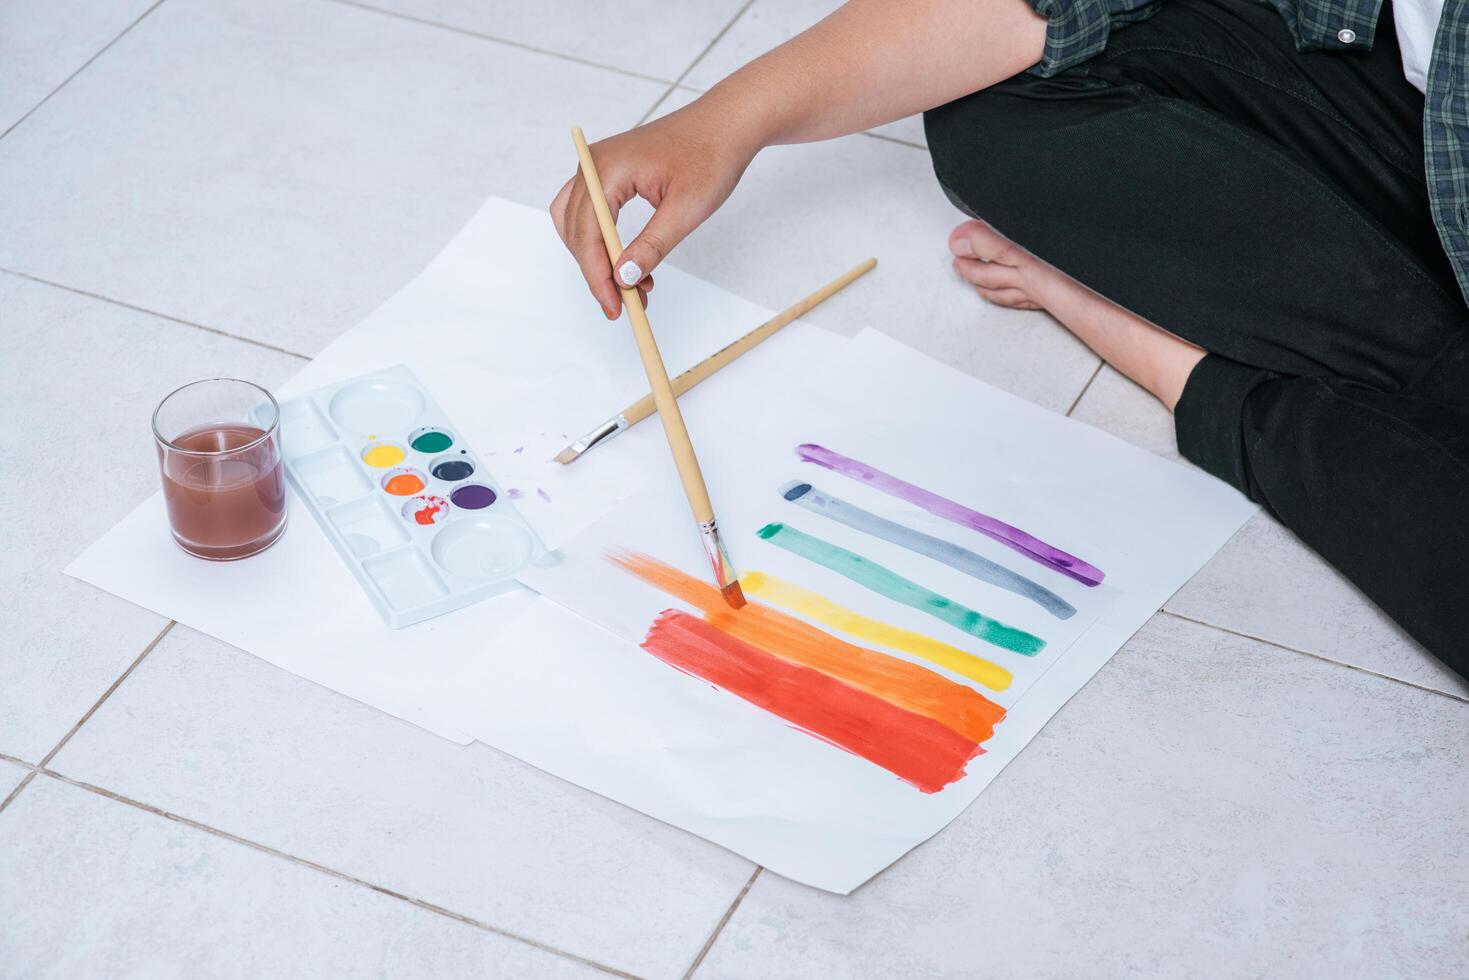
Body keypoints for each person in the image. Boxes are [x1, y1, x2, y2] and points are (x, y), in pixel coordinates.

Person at [550, 0, 1468, 674]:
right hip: (1418, 117)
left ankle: (1184, 365)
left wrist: (1115, 320)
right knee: (1001, 98)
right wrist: (722, 122)